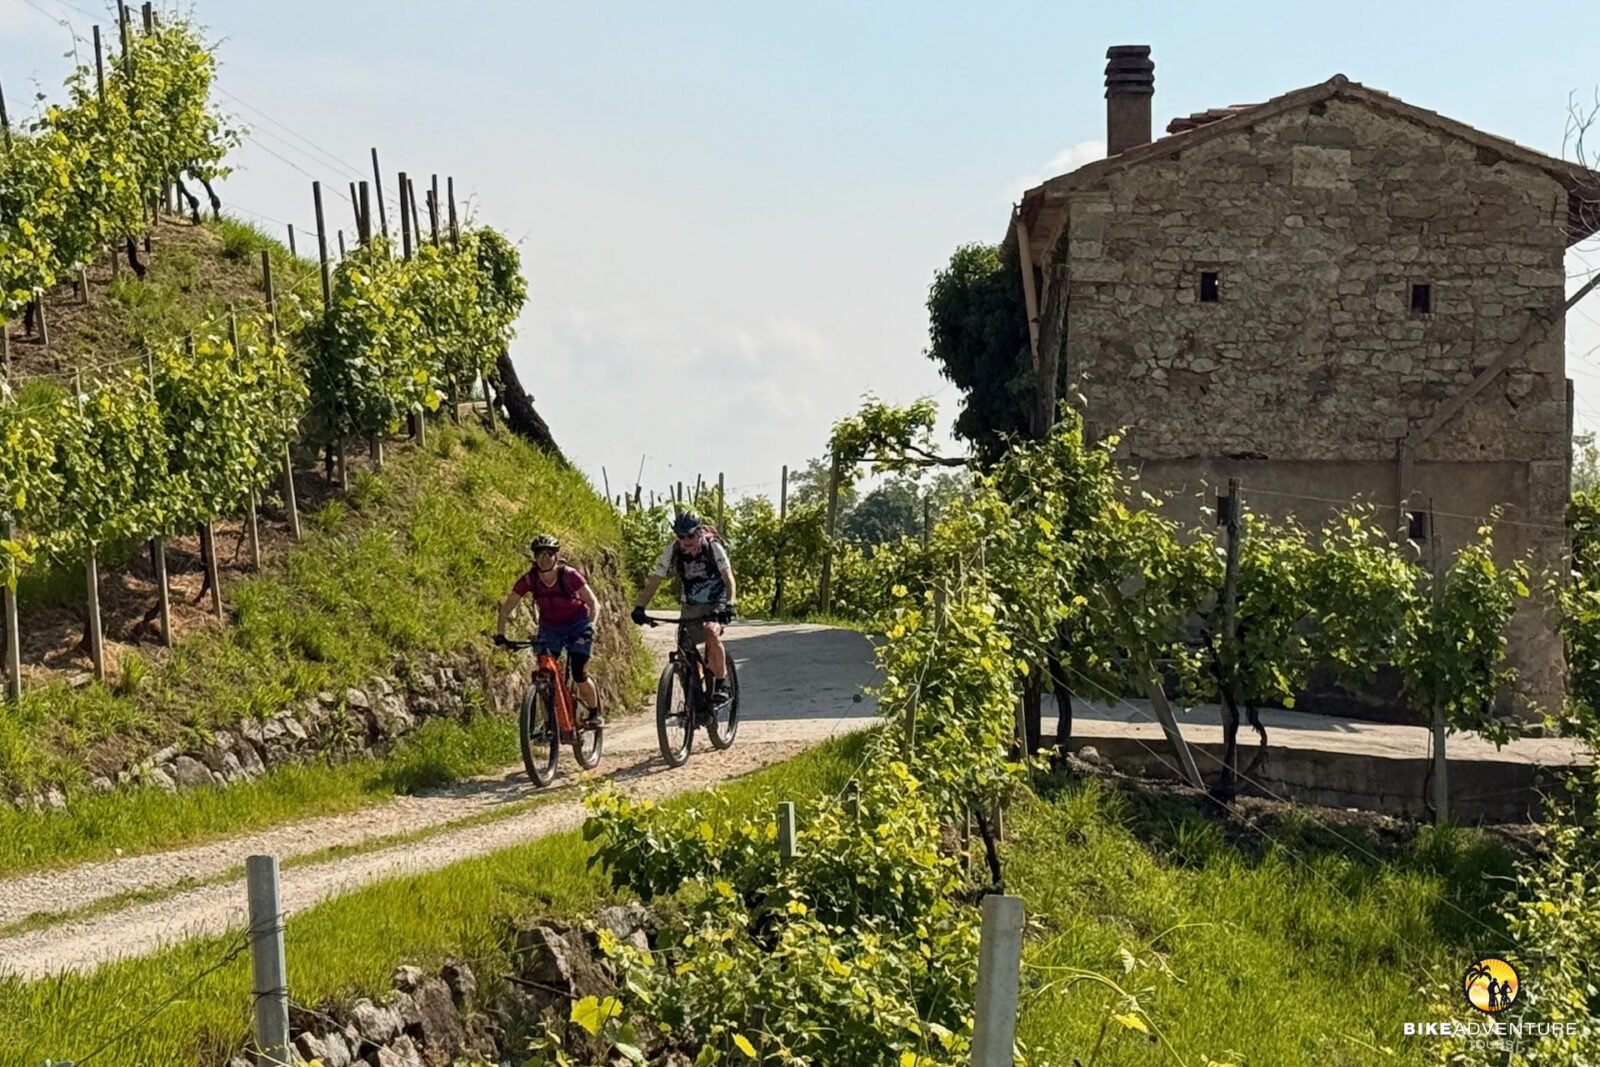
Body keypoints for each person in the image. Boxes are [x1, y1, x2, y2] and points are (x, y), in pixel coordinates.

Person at [494, 534, 603, 725]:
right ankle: (549, 723)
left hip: (577, 624)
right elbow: (507, 608)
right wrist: (501, 634)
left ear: (556, 556)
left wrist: (590, 626)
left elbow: (594, 603)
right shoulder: (530, 580)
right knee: (544, 673)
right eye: (540, 554)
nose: (544, 558)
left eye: (549, 554)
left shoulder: (569, 575)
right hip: (550, 627)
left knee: (579, 672)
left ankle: (595, 713)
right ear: (534, 558)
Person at [631, 510, 737, 700]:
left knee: (711, 633)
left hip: (716, 601)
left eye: (690, 535)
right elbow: (655, 580)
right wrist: (640, 606)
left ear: (699, 532)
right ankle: (692, 700)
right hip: (691, 604)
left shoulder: (713, 547)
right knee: (685, 652)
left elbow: (728, 577)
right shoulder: (673, 550)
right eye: (681, 536)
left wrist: (730, 604)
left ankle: (722, 683)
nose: (686, 540)